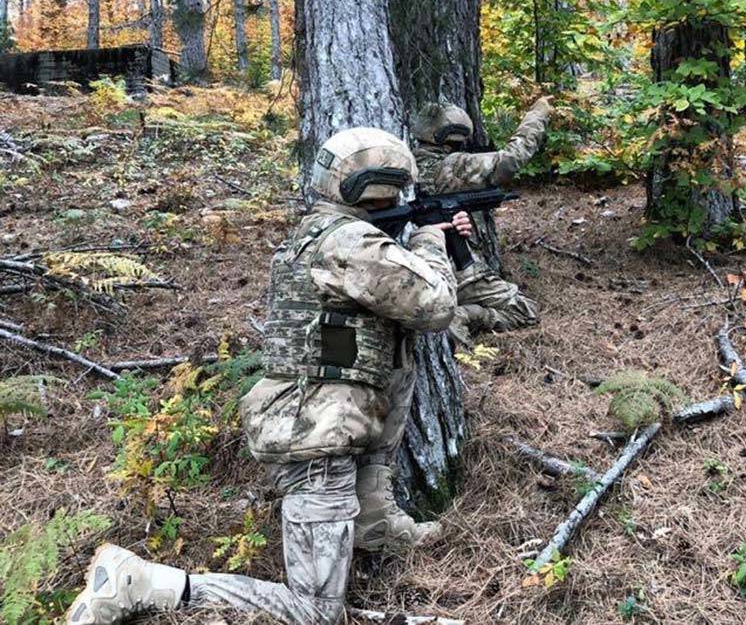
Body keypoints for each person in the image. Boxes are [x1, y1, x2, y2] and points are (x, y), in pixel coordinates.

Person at [66, 127, 473, 625]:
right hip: (318, 443)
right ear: (385, 182)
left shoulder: (321, 233)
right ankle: (145, 583)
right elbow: (433, 305)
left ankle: (375, 527)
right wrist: (432, 241)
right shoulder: (348, 242)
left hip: (326, 428)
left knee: (344, 569)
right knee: (314, 613)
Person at [410, 97, 552, 346]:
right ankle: (463, 315)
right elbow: (511, 159)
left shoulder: (409, 164)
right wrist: (537, 115)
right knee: (526, 311)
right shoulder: (453, 166)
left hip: (422, 270)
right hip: (460, 272)